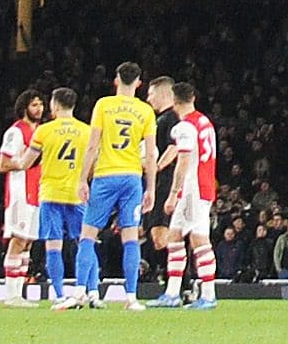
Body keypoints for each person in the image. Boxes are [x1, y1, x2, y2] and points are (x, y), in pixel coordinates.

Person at [85, 64, 160, 308]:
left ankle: (87, 293)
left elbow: (92, 146)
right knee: (130, 237)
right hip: (131, 178)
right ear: (139, 83)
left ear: (116, 80)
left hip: (105, 176)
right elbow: (150, 155)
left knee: (88, 235)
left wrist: (81, 179)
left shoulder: (103, 105)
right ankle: (131, 297)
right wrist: (151, 188)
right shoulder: (146, 111)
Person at [147, 76, 220, 310]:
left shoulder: (184, 127)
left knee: (199, 240)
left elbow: (184, 161)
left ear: (175, 102)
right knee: (175, 237)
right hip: (205, 186)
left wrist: (173, 194)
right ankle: (172, 294)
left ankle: (208, 295)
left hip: (193, 190)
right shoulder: (205, 122)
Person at [34, 88, 96, 310]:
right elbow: (93, 163)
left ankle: (59, 293)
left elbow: (26, 161)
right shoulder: (86, 131)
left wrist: (13, 164)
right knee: (86, 242)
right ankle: (93, 292)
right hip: (77, 194)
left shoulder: (44, 131)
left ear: (55, 105)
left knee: (53, 244)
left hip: (51, 193)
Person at [0, 92, 49, 305]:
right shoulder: (16, 132)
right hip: (20, 193)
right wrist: (24, 163)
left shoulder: (41, 132)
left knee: (28, 242)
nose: (38, 109)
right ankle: (11, 295)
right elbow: (2, 164)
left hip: (38, 193)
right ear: (24, 107)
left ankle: (19, 293)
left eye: (40, 104)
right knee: (19, 239)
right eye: (34, 105)